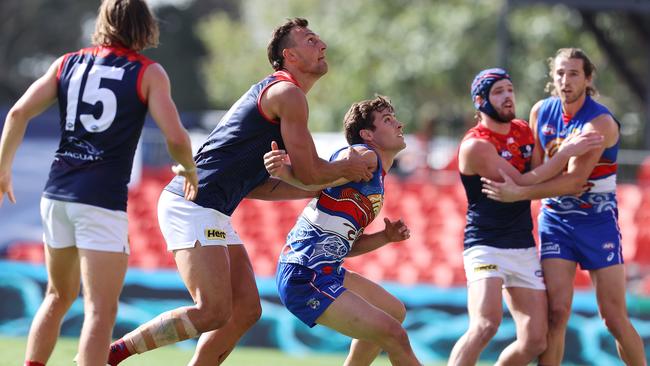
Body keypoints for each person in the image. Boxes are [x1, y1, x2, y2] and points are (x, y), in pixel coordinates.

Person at [106, 17, 374, 366]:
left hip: (210, 207)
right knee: (213, 311)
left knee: (246, 309)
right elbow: (309, 172)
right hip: (193, 203)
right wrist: (343, 171)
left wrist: (319, 182)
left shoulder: (283, 95)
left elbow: (263, 186)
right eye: (311, 40)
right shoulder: (287, 93)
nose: (322, 46)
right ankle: (111, 355)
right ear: (290, 56)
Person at [0, 1, 198, 365]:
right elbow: (176, 138)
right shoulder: (148, 72)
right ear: (144, 25)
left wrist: (2, 171)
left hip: (56, 194)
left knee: (57, 296)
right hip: (100, 201)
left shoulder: (66, 62)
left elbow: (17, 112)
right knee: (100, 310)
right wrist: (187, 167)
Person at [481, 49, 647, 366]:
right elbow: (538, 169)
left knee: (613, 318)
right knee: (556, 314)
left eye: (573, 73)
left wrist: (519, 193)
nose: (565, 80)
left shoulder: (599, 122)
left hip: (597, 223)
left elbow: (572, 181)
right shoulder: (542, 111)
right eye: (559, 72)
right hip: (556, 221)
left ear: (587, 79)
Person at [448, 68, 602, 366]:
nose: (508, 97)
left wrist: (566, 166)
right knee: (485, 325)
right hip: (486, 245)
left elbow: (537, 179)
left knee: (535, 340)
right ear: (480, 101)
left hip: (522, 245)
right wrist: (565, 154)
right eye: (498, 92)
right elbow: (521, 183)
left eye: (510, 89)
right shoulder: (476, 145)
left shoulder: (522, 131)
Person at [265, 95, 421, 366]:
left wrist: (385, 237)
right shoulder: (365, 156)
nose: (398, 123)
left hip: (325, 270)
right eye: (387, 119)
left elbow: (345, 245)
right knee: (395, 336)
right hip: (305, 272)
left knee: (393, 311)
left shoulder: (376, 176)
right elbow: (322, 173)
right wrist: (285, 173)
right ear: (367, 134)